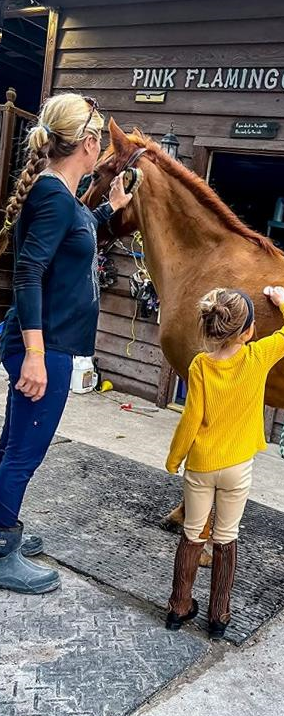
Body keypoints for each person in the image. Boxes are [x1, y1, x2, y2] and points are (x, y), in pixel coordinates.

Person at [0, 93, 132, 594]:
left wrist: (110, 211)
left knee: (13, 444)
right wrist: (34, 355)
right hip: (43, 346)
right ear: (91, 142)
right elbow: (28, 271)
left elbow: (74, 236)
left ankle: (2, 527)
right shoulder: (54, 196)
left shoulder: (62, 196)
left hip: (47, 343)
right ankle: (2, 548)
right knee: (24, 453)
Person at [165, 285, 284, 639]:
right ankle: (219, 616)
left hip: (201, 465)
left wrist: (175, 458)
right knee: (226, 538)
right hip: (238, 467)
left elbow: (191, 417)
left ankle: (179, 607)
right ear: (248, 331)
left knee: (193, 534)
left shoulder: (201, 365)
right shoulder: (258, 356)